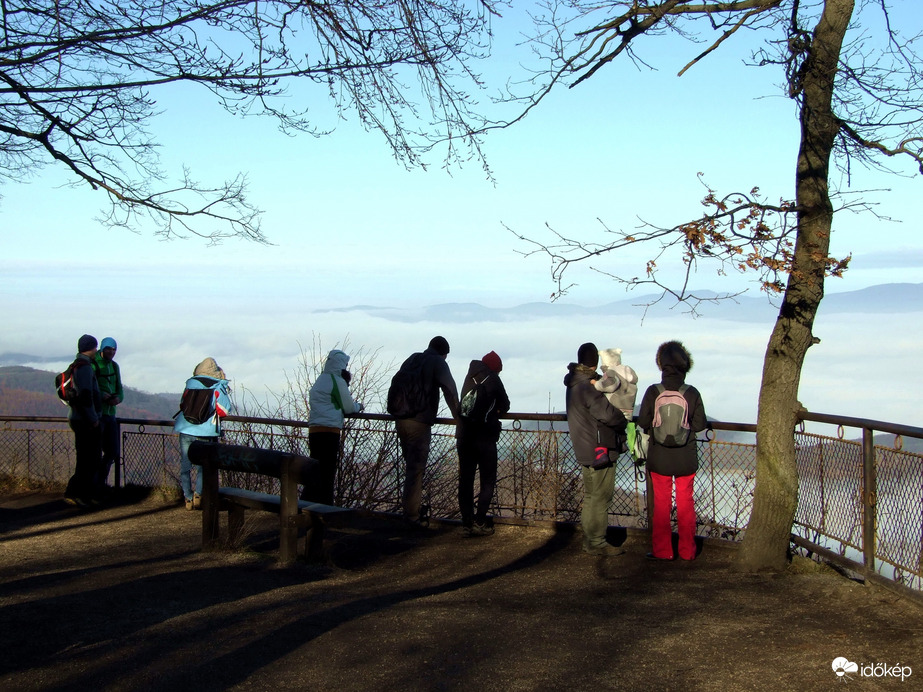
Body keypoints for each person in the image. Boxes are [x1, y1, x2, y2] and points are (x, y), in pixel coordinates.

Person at [637, 340, 707, 561]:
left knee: (661, 505)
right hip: (685, 457)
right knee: (686, 502)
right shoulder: (692, 393)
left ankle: (663, 551)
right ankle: (687, 551)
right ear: (685, 365)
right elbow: (699, 425)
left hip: (659, 457)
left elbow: (644, 421)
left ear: (661, 365)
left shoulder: (653, 391)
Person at [564, 342, 628, 556]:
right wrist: (623, 421)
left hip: (583, 447)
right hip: (599, 448)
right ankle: (596, 542)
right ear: (595, 363)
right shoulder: (588, 387)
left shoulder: (573, 384)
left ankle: (590, 539)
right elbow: (608, 415)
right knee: (602, 497)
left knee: (591, 496)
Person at [393, 336, 460, 528]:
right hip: (420, 422)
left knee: (410, 467)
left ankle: (409, 511)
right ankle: (412, 516)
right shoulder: (438, 362)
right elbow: (450, 390)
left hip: (401, 419)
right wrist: (458, 417)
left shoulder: (413, 359)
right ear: (444, 353)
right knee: (415, 470)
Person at [456, 350, 510, 536]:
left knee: (466, 480)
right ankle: (480, 521)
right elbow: (506, 404)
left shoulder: (469, 376)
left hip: (464, 435)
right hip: (485, 437)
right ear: (496, 368)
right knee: (487, 481)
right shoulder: (493, 379)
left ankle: (466, 523)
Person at [302, 349, 363, 505]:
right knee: (328, 472)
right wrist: (359, 406)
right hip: (330, 431)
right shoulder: (337, 381)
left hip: (314, 430)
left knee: (315, 470)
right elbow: (348, 407)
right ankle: (325, 508)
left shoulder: (320, 380)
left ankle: (306, 504)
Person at [174, 357, 231, 510]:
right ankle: (198, 495)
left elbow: (182, 404)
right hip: (205, 431)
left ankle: (187, 498)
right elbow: (223, 410)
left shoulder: (190, 383)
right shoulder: (217, 385)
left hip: (185, 428)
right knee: (202, 467)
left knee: (185, 465)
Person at [64, 334, 103, 507]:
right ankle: (79, 494)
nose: (97, 350)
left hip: (77, 417)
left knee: (86, 457)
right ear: (91, 348)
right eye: (95, 347)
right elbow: (87, 395)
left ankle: (80, 493)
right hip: (86, 420)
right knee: (90, 458)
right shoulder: (85, 368)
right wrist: (93, 418)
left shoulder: (75, 365)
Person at [93, 337, 123, 492]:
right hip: (98, 414)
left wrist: (118, 399)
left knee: (112, 451)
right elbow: (91, 388)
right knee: (96, 451)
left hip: (110, 414)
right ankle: (96, 485)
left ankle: (99, 482)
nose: (111, 352)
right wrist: (101, 396)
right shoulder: (94, 365)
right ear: (102, 349)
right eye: (109, 349)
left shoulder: (114, 366)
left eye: (114, 349)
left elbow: (120, 388)